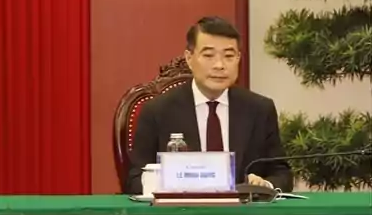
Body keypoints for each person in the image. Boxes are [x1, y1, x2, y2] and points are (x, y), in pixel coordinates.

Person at [126, 16, 293, 194]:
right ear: (189, 58)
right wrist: (165, 186)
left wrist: (264, 185)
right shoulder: (158, 111)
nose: (219, 65)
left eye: (229, 56)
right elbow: (135, 177)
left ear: (238, 58)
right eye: (208, 55)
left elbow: (281, 173)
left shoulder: (259, 109)